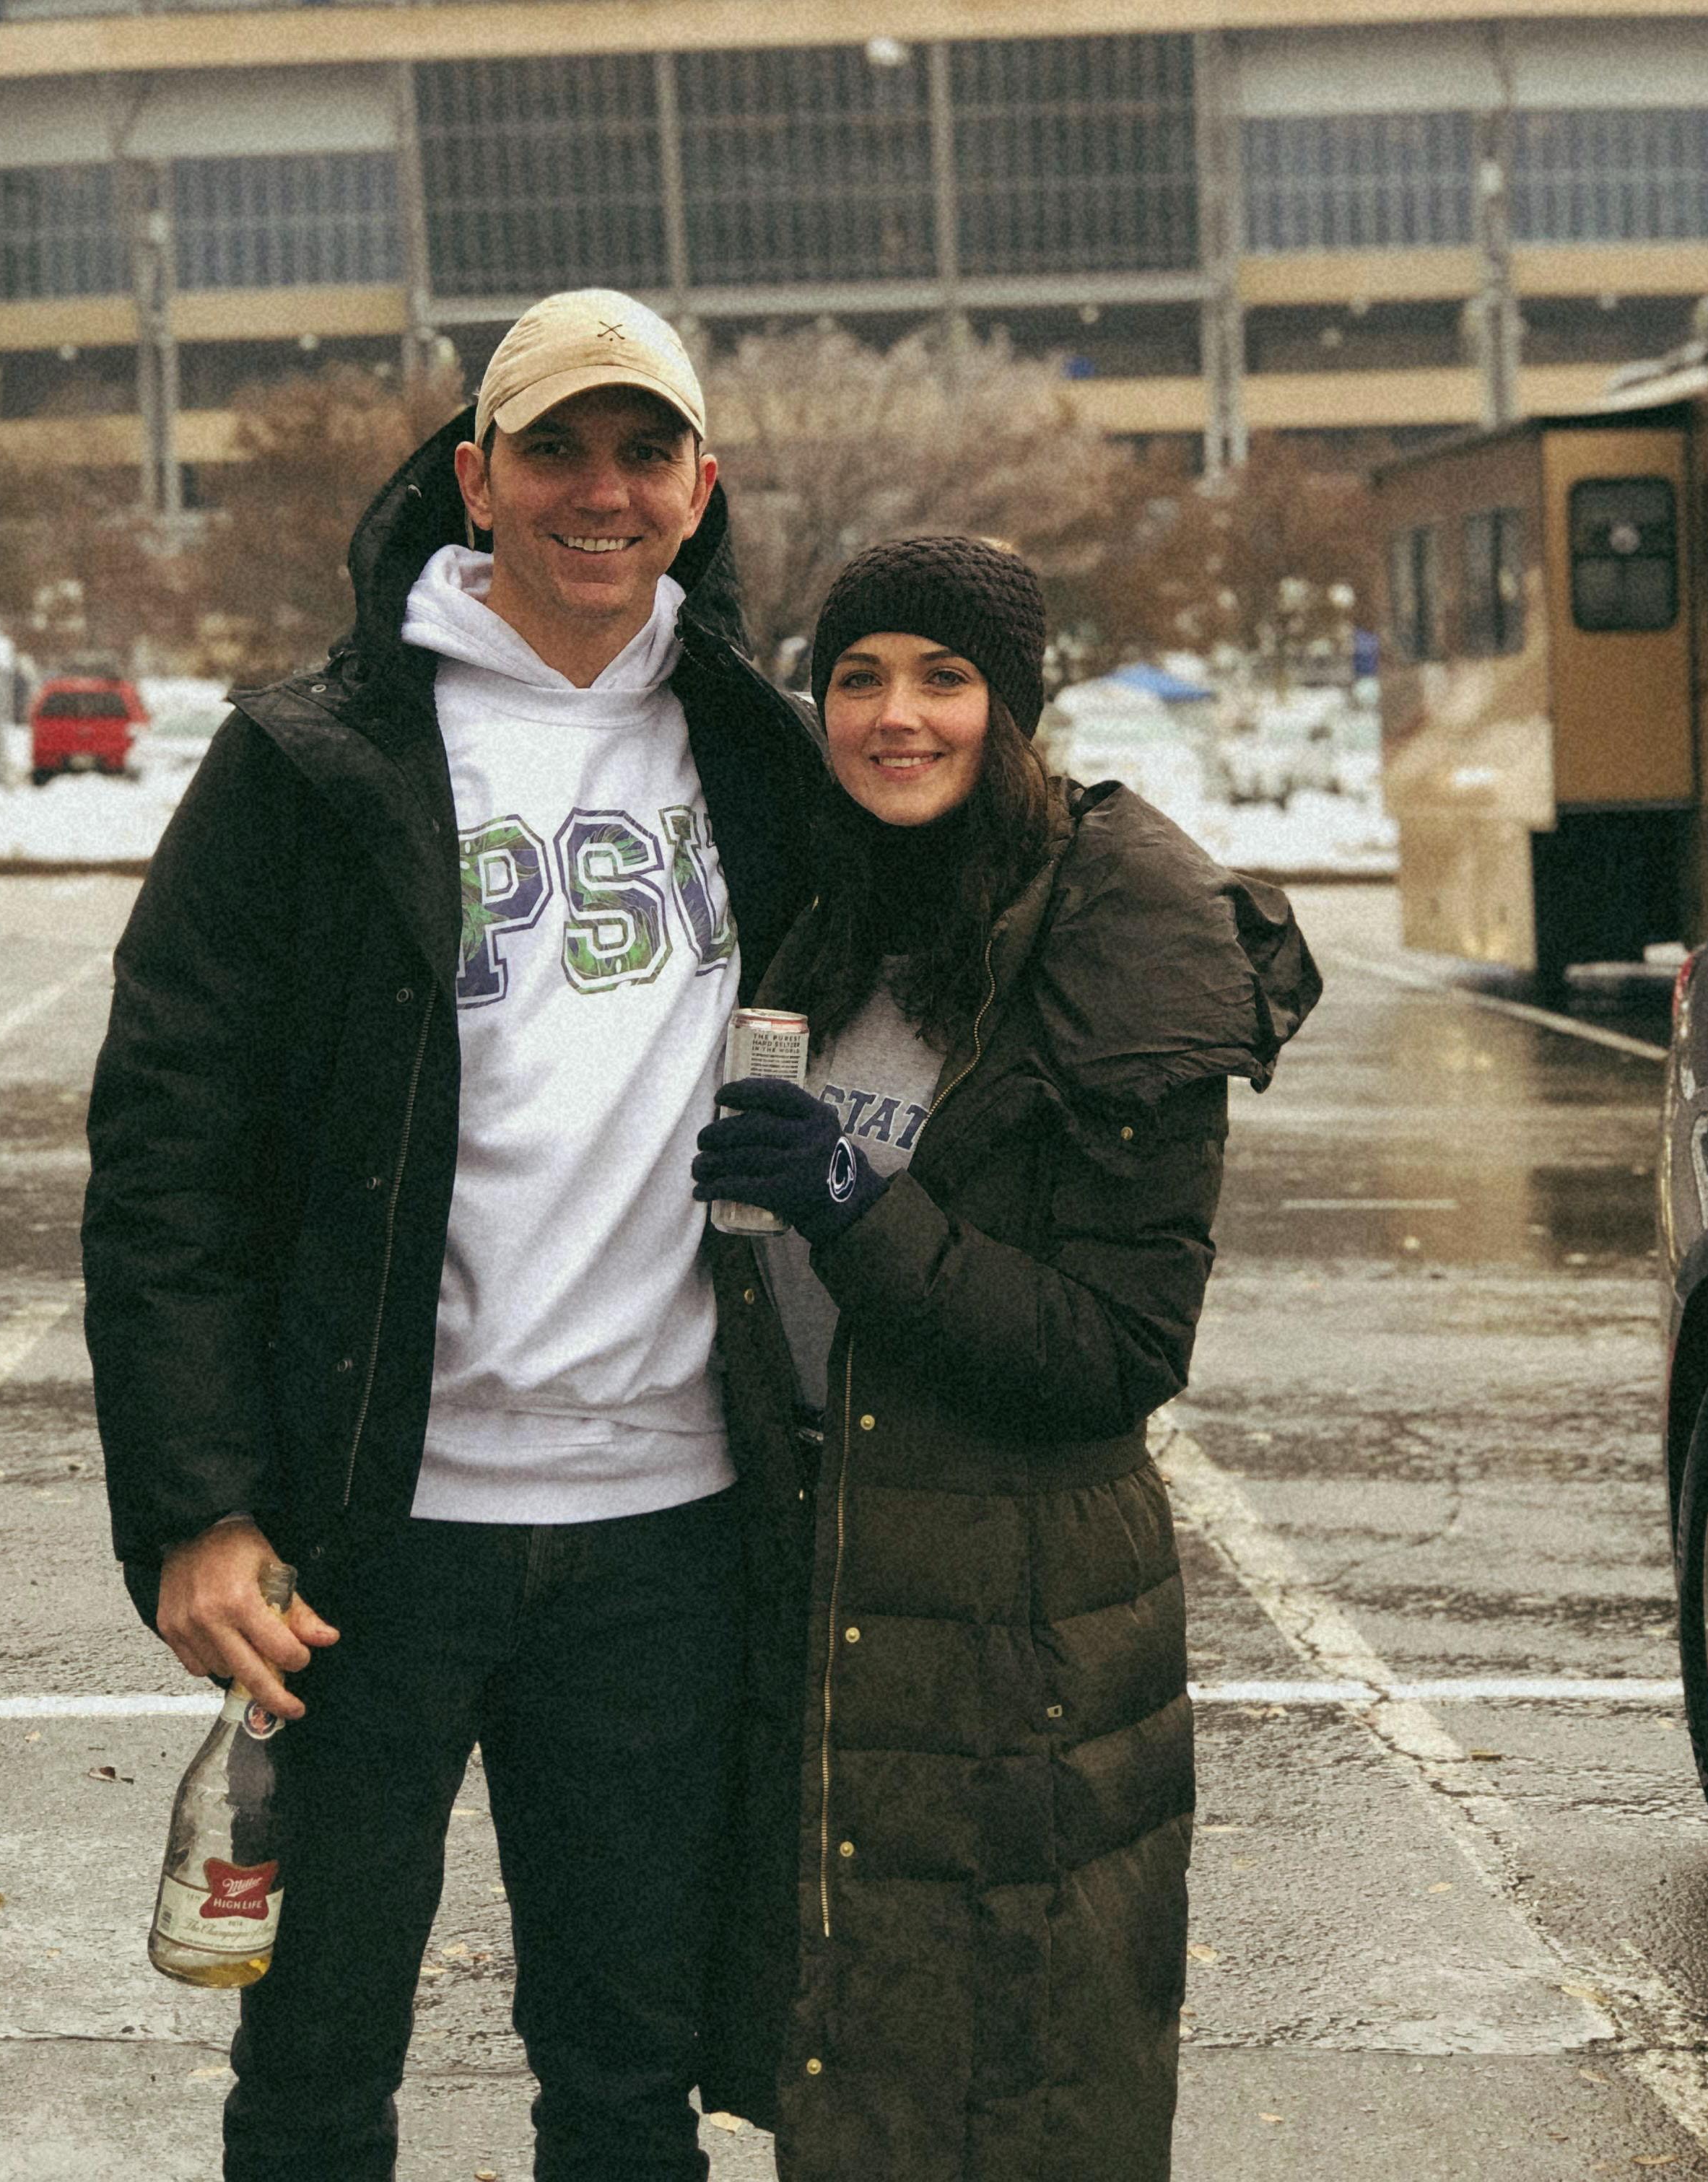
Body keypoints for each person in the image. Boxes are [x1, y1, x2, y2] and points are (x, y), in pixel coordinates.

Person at [80, 287, 834, 2181]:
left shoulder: (758, 754)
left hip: (668, 1531)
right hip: (368, 1541)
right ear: (475, 474)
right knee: (319, 2073)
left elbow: (993, 882)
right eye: (557, 450)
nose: (603, 492)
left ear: (702, 485)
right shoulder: (314, 760)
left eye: (642, 452)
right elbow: (172, 1154)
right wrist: (197, 1504)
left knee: (626, 2079)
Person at [690, 534, 1322, 2182]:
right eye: (858, 677)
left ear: (1016, 708)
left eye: (945, 678)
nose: (897, 717)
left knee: (1026, 2105)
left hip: (1024, 1634)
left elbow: (1117, 1347)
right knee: (854, 2103)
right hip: (834, 1602)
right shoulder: (822, 925)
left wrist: (852, 1205)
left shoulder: (1121, 944)